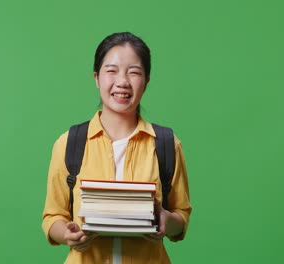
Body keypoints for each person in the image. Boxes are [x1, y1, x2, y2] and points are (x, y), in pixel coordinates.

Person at [42, 32, 192, 263]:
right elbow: (52, 216)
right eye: (111, 70)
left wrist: (165, 220)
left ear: (146, 81)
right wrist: (67, 234)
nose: (122, 81)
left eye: (134, 72)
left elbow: (181, 219)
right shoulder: (69, 143)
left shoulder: (166, 144)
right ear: (97, 78)